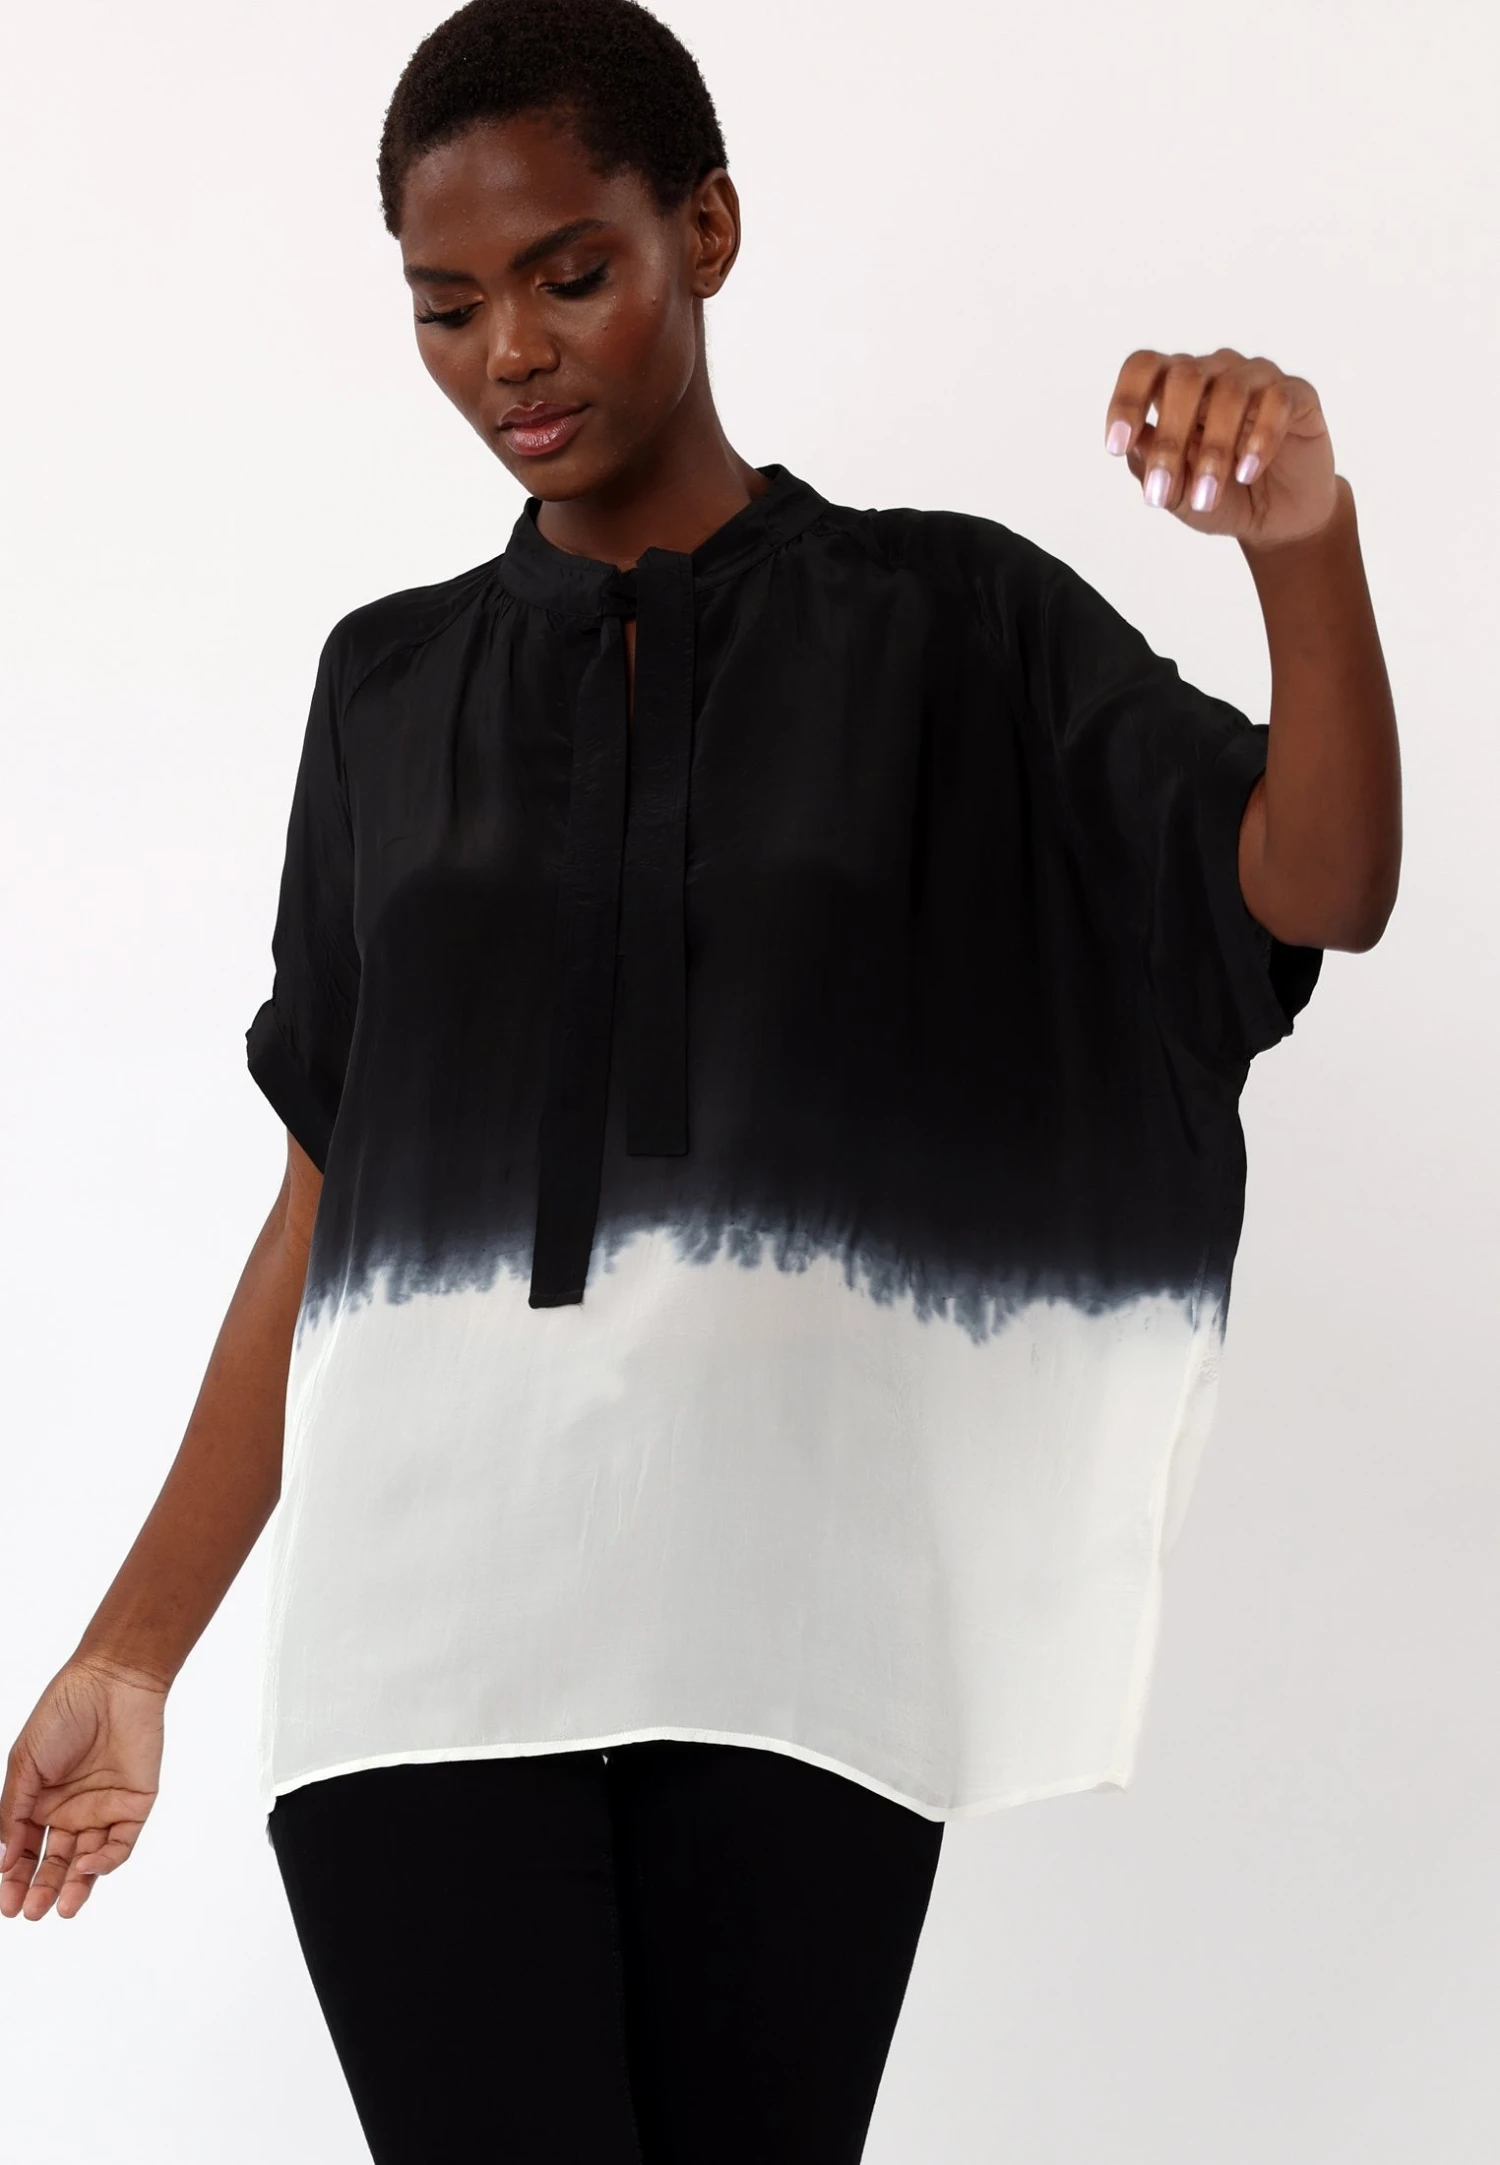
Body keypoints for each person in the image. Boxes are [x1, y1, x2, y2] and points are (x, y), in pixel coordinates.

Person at [0, 0, 1401, 2157]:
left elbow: (1318, 885)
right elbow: (325, 1201)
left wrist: (1302, 546)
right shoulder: (384, 688)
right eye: (447, 306)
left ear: (707, 230)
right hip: (418, 1645)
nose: (510, 354)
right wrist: (130, 1650)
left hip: (795, 1640)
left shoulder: (952, 620)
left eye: (571, 273)